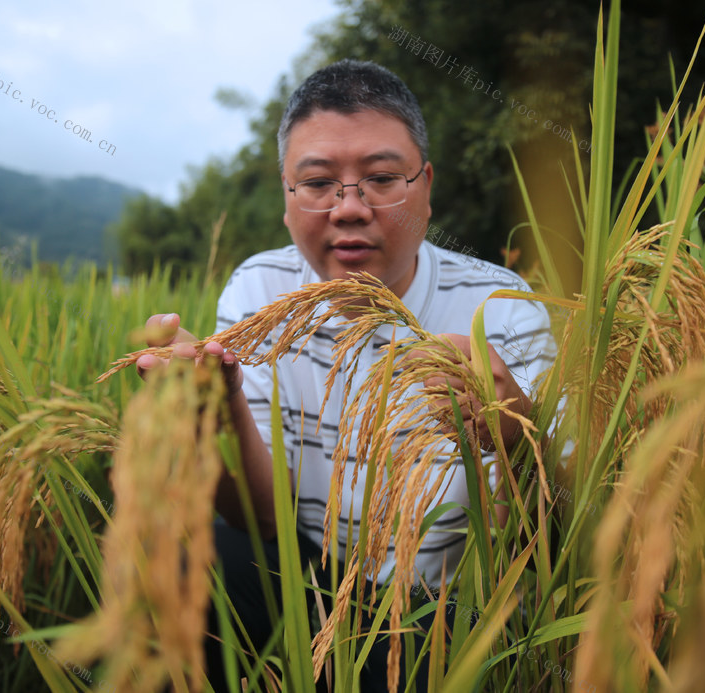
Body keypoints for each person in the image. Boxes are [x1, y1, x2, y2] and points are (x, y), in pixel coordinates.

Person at [136, 59, 554, 692]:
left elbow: (562, 515)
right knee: (185, 560)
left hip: (443, 608)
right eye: (318, 182)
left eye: (382, 178)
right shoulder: (260, 290)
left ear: (426, 186)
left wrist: (516, 427)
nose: (350, 208)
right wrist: (210, 419)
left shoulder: (499, 306)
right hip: (307, 576)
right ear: (286, 196)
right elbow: (263, 520)